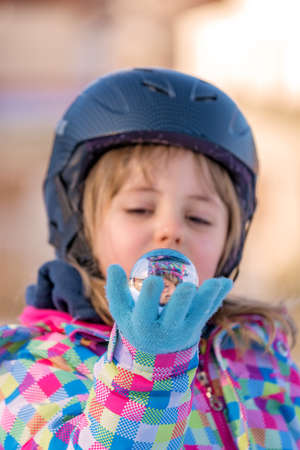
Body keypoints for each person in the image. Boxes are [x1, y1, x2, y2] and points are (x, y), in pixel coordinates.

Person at [0, 68, 299, 449]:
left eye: (198, 218)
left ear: (230, 245)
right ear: (80, 229)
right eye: (140, 209)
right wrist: (149, 371)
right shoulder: (33, 370)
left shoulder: (256, 357)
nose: (171, 229)